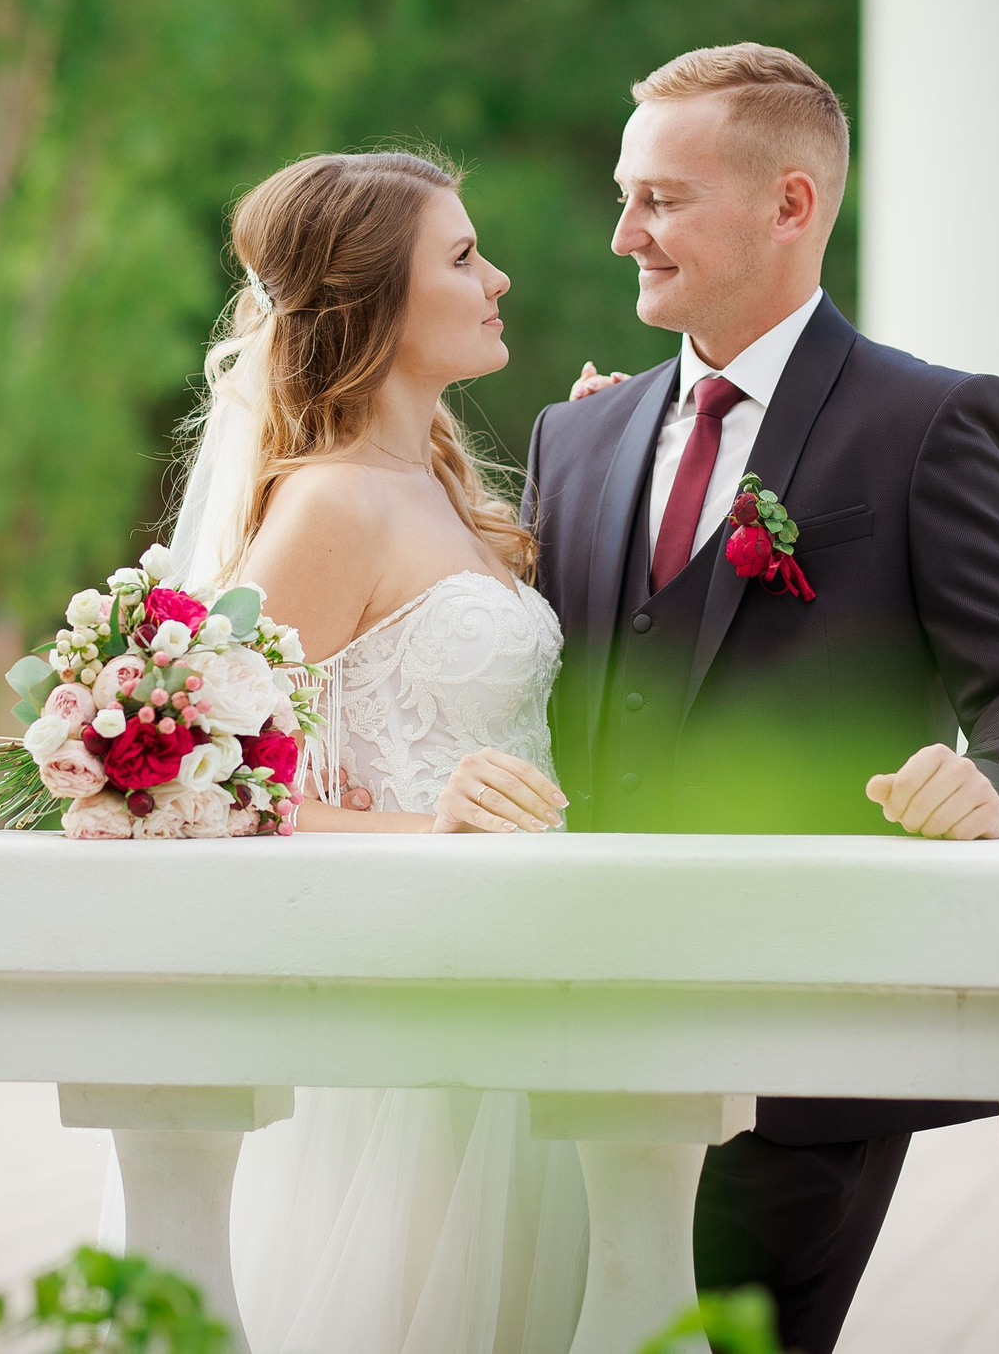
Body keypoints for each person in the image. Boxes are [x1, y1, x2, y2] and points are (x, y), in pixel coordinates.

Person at [528, 43, 999, 1351]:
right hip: (565, 1025)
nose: (625, 232)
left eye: (662, 199)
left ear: (792, 203)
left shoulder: (930, 422)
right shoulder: (577, 440)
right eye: (627, 196)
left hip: (806, 1040)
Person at [168, 149, 584, 1354]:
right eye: (461, 257)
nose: (495, 276)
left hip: (517, 973)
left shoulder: (443, 483)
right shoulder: (330, 507)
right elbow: (203, 792)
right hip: (405, 1016)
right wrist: (424, 828)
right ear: (371, 300)